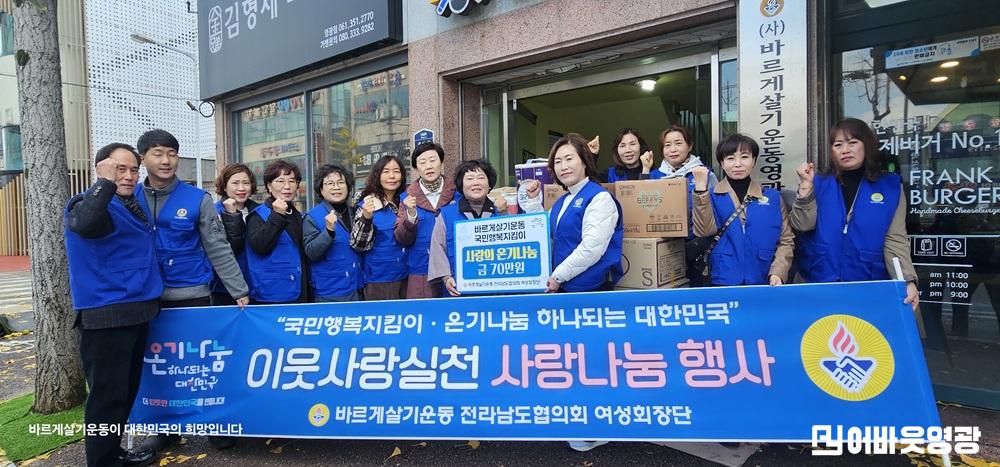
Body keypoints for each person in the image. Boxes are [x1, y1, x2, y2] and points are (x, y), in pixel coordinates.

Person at [135, 130, 248, 454]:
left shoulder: (197, 199)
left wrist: (238, 290)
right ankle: (164, 429)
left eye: (171, 153)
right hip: (146, 298)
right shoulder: (129, 197)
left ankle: (213, 424)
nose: (166, 160)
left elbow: (217, 246)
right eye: (158, 153)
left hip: (192, 295)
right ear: (143, 159)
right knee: (158, 367)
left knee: (202, 366)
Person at [65, 143, 159, 467]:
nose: (129, 176)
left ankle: (113, 453)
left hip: (136, 310)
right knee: (107, 397)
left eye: (134, 169)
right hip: (106, 314)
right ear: (101, 169)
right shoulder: (89, 203)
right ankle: (102, 461)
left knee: (125, 392)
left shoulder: (129, 204)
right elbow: (86, 224)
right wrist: (104, 183)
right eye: (120, 169)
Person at [790, 118, 919, 311]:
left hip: (867, 284)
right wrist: (806, 188)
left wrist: (907, 280)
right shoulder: (819, 182)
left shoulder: (890, 187)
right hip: (817, 281)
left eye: (852, 142)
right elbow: (802, 224)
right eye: (838, 145)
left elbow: (895, 239)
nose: (845, 150)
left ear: (866, 144)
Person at [690, 134, 794, 286]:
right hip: (723, 280)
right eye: (730, 158)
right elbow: (703, 231)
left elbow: (786, 240)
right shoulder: (710, 197)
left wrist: (778, 272)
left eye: (744, 157)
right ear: (722, 163)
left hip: (765, 280)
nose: (738, 164)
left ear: (754, 161)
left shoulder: (773, 198)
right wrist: (700, 190)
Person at [650, 124, 718, 287]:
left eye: (678, 143)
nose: (673, 149)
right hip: (663, 250)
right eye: (667, 145)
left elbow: (714, 213)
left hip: (696, 249)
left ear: (690, 146)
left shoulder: (705, 174)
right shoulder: (654, 176)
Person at [427, 159, 508, 296]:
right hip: (457, 290)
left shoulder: (500, 212)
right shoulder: (446, 214)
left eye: (481, 178)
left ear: (489, 184)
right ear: (461, 185)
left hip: (495, 291)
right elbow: (437, 248)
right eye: (469, 178)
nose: (476, 183)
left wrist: (504, 214)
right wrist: (446, 278)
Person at [394, 142, 458, 298]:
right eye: (422, 162)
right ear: (416, 168)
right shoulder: (406, 197)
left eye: (432, 160)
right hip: (421, 270)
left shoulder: (457, 193)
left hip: (454, 269)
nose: (428, 166)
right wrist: (410, 216)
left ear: (441, 162)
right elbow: (402, 239)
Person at [246, 160, 309, 303]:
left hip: (299, 291)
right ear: (269, 186)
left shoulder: (298, 215)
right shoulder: (258, 215)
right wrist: (277, 215)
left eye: (292, 181)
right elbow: (260, 246)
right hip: (272, 294)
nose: (287, 186)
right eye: (280, 181)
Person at [351, 155, 409, 300]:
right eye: (386, 171)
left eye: (396, 171)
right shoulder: (367, 204)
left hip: (407, 274)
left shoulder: (406, 201)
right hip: (379, 279)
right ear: (377, 176)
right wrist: (366, 218)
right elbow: (358, 245)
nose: (392, 176)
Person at [304, 164, 363, 302]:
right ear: (321, 189)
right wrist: (328, 231)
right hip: (330, 291)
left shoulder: (355, 212)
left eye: (341, 182)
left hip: (356, 287)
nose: (336, 187)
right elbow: (311, 252)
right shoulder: (313, 216)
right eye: (330, 183)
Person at [211, 163, 258, 306]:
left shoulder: (259, 211)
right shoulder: (213, 212)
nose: (241, 188)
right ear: (224, 186)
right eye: (235, 183)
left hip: (256, 283)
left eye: (246, 183)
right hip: (225, 287)